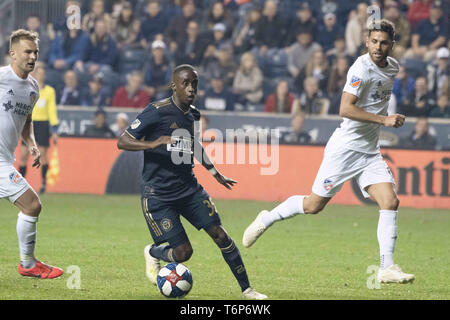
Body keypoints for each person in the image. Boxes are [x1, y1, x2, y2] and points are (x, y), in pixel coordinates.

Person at [243, 20, 415, 284]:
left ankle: (387, 267)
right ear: (366, 41)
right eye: (374, 41)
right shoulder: (361, 68)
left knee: (390, 201)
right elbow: (345, 109)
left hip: (369, 150)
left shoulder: (392, 67)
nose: (378, 47)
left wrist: (385, 120)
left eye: (384, 43)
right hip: (345, 149)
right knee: (313, 205)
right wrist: (384, 120)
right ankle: (268, 217)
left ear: (391, 45)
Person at [117, 64, 267, 299]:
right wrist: (153, 143)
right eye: (185, 83)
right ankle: (153, 252)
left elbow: (194, 145)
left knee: (220, 235)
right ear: (173, 86)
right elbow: (123, 141)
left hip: (189, 189)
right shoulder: (156, 111)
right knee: (184, 252)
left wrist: (214, 172)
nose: (190, 89)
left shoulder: (194, 114)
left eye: (194, 84)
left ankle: (247, 289)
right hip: (158, 195)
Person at [0, 29, 63, 278]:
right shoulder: (2, 77)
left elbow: (26, 119)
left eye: (35, 52)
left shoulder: (33, 87)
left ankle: (27, 264)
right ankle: (27, 265)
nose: (32, 56)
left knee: (32, 205)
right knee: (32, 204)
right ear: (12, 54)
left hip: (5, 158)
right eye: (27, 51)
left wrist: (32, 144)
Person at [19, 63, 59, 194]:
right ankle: (21, 183)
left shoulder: (49, 91)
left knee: (42, 156)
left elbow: (51, 109)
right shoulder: (26, 88)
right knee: (24, 155)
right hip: (29, 124)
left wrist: (54, 128)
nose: (40, 76)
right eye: (38, 73)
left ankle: (43, 184)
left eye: (42, 73)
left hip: (42, 124)